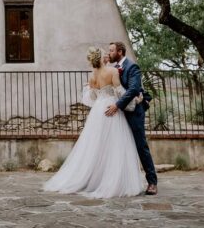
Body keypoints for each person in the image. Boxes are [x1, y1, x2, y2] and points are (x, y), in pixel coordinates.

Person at [43, 47, 146, 198]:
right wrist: (135, 100)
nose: (107, 55)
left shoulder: (92, 76)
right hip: (111, 108)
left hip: (98, 110)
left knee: (96, 145)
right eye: (105, 53)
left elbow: (92, 97)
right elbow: (120, 93)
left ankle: (95, 179)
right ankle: (112, 180)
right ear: (102, 58)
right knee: (115, 145)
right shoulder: (112, 72)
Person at [104, 41, 158, 195]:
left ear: (120, 52)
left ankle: (152, 182)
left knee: (141, 146)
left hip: (134, 111)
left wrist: (117, 105)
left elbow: (134, 89)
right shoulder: (114, 69)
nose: (109, 53)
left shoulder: (132, 66)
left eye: (112, 50)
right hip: (120, 114)